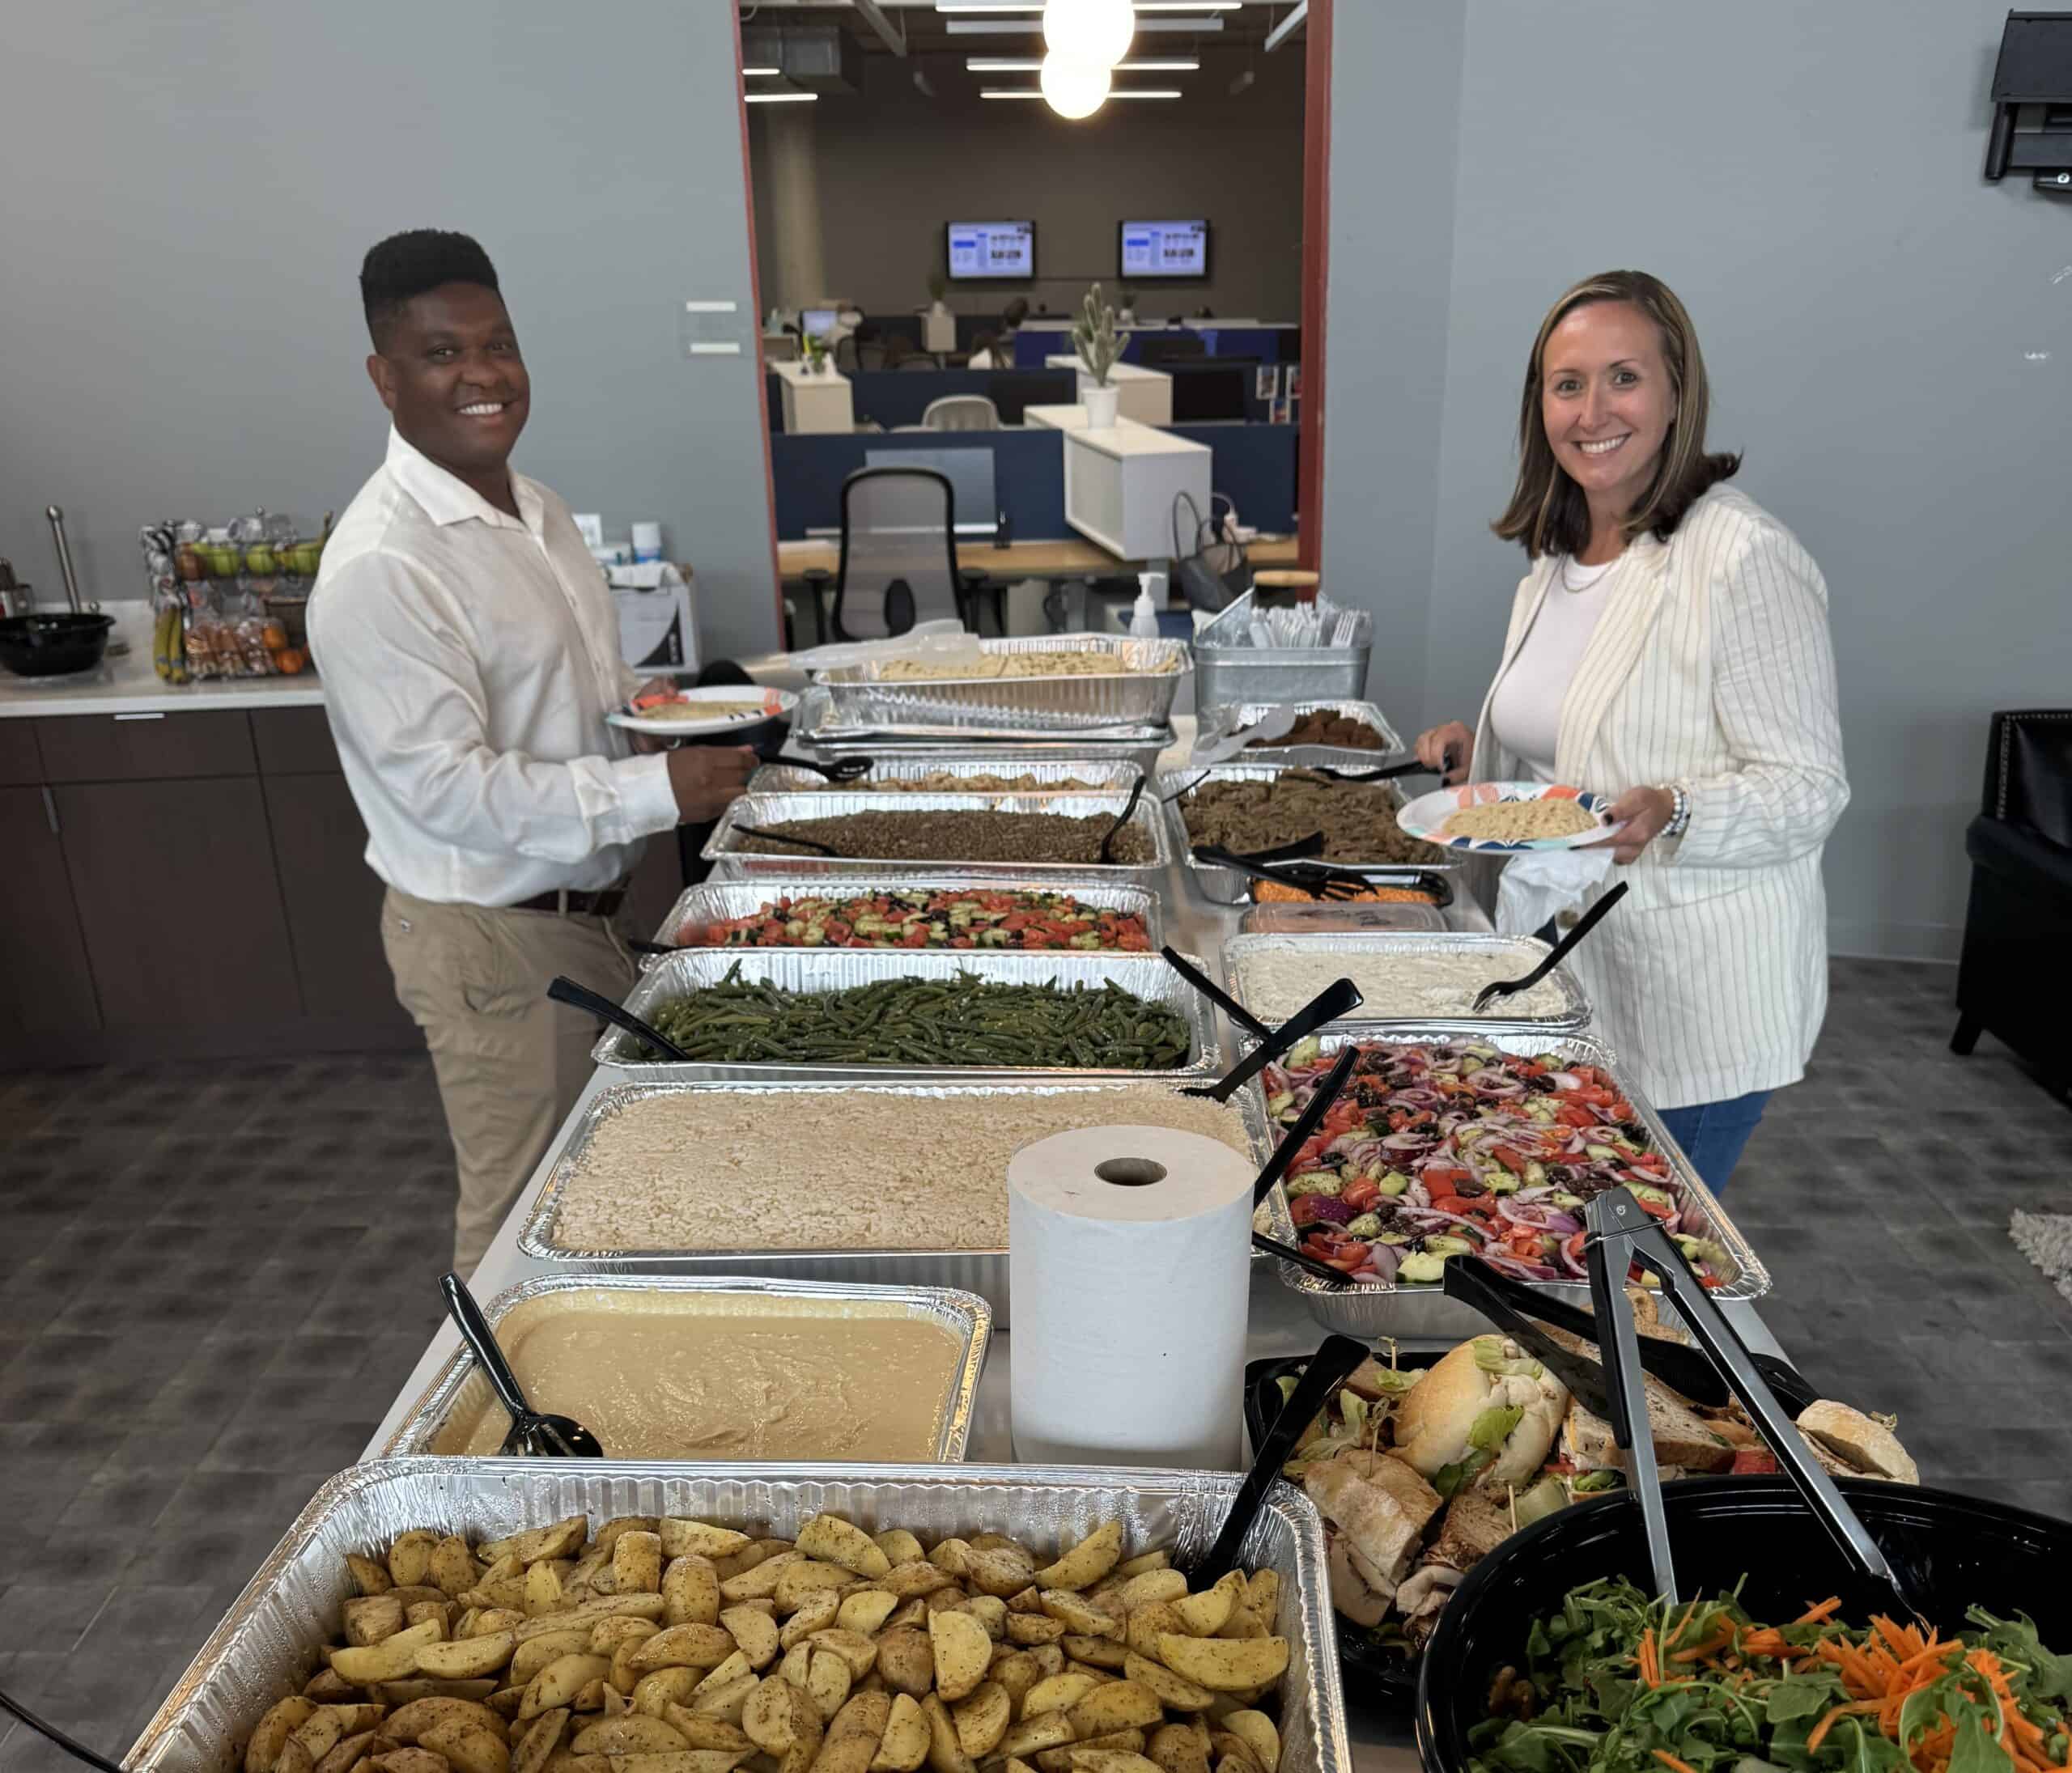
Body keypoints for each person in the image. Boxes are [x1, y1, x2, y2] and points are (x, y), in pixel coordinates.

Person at [308, 229, 755, 1271]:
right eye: (442, 353)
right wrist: (655, 787)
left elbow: (577, 694)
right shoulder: (384, 563)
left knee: (599, 1186)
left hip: (586, 915)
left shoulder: (538, 510)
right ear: (384, 377)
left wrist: (654, 714)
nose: (483, 374)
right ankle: (492, 1381)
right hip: (492, 940)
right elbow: (444, 790)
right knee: (521, 1218)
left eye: (498, 345)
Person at [1414, 269, 1847, 1191]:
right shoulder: (1559, 554)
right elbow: (1574, 746)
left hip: (1693, 1005)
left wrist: (1676, 809)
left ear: (1677, 393)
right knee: (1563, 1235)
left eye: (1625, 378)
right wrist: (1480, 756)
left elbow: (1809, 788)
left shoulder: (1743, 557)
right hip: (1567, 972)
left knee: (1642, 1252)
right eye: (1567, 384)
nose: (1592, 411)